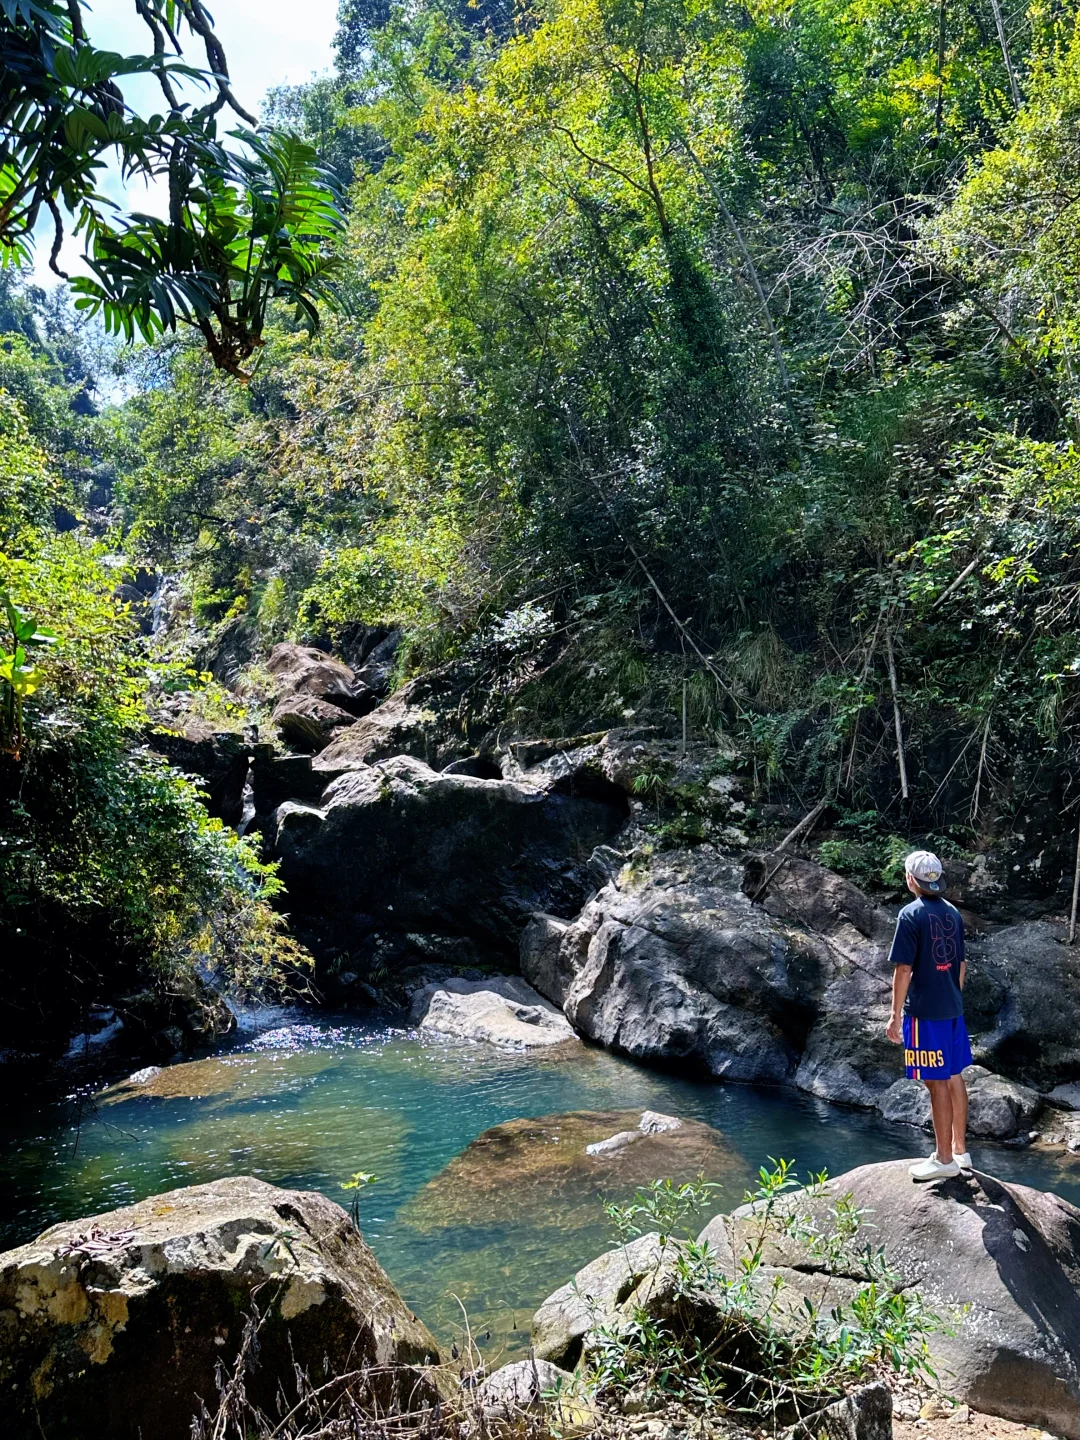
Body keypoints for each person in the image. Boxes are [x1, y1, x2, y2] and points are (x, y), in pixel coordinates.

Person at [885, 850, 972, 1181]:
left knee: (936, 1083)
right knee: (953, 1075)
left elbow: (904, 968)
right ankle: (961, 1151)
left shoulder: (910, 915)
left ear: (911, 879)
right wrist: (952, 996)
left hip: (924, 1013)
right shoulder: (953, 914)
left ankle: (944, 1159)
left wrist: (895, 1015)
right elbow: (960, 965)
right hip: (953, 1009)